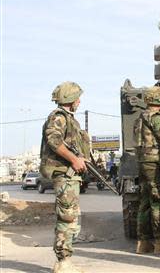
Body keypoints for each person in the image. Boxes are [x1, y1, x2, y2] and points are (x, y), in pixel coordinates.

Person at [40, 82, 89, 273]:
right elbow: (53, 140)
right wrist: (73, 159)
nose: (79, 101)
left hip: (70, 176)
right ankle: (63, 262)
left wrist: (80, 158)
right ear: (70, 99)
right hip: (64, 174)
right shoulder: (59, 117)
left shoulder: (68, 118)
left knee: (71, 218)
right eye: (77, 98)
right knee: (67, 218)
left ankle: (65, 262)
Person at [133, 86, 160, 255]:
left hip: (143, 162)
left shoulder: (141, 117)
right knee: (159, 201)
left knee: (144, 202)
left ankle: (143, 242)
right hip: (156, 164)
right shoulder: (157, 118)